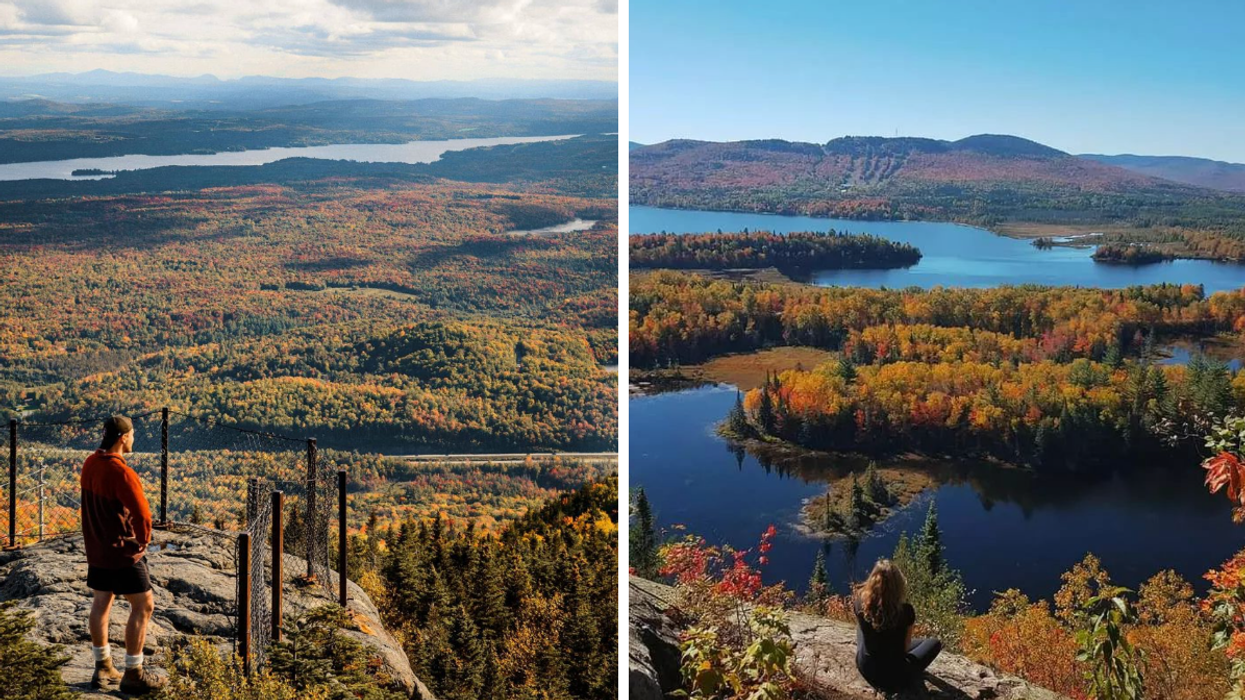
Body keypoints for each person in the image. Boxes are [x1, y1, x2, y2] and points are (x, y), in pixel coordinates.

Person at [80, 415, 166, 694]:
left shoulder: (90, 463)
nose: (133, 438)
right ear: (122, 437)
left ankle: (102, 666)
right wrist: (143, 542)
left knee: (102, 601)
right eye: (132, 434)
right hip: (120, 552)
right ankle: (133, 672)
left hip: (97, 548)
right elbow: (142, 514)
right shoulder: (121, 473)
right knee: (144, 605)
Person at [852, 559, 942, 693]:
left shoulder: (860, 603)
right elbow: (905, 648)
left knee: (861, 629)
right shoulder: (905, 611)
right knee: (934, 643)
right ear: (898, 585)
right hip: (894, 678)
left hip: (866, 667)